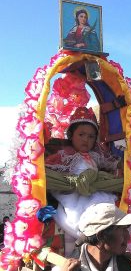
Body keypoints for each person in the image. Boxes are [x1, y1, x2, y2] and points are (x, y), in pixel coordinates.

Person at [45, 107, 123, 256]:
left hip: (93, 190)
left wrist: (121, 165)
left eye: (91, 136)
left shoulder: (96, 155)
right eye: (81, 135)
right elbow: (49, 168)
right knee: (74, 216)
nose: (86, 139)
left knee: (104, 205)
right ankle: (82, 234)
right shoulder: (65, 154)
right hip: (73, 192)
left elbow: (111, 163)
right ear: (71, 135)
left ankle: (101, 234)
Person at [51, 202, 131, 271]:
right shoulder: (65, 270)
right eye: (121, 229)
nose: (128, 236)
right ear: (102, 236)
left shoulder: (129, 267)